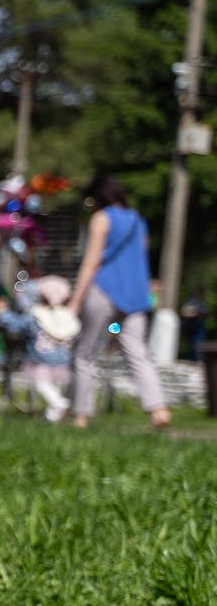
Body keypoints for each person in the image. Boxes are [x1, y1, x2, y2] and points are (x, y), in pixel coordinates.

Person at [69, 174, 170, 430]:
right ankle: (158, 409)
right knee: (137, 352)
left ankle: (81, 415)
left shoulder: (102, 219)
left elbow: (91, 262)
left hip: (104, 289)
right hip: (134, 295)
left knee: (86, 353)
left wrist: (75, 301)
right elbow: (140, 255)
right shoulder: (137, 220)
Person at [0, 274, 78, 421]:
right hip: (63, 360)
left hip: (40, 360)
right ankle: (53, 416)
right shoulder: (66, 316)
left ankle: (59, 403)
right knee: (54, 385)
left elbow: (16, 325)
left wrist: (2, 314)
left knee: (41, 384)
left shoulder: (35, 316)